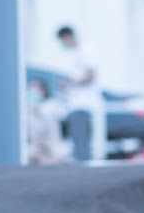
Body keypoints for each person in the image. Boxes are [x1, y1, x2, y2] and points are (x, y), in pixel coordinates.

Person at [56, 26, 106, 162]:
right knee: (78, 139)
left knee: (81, 140)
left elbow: (90, 76)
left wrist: (70, 84)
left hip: (84, 103)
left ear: (68, 37)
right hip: (75, 103)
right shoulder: (74, 54)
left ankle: (84, 166)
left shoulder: (86, 50)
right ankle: (82, 163)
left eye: (62, 41)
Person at [26, 78, 67, 165]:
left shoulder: (52, 104)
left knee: (58, 156)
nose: (33, 91)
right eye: (31, 89)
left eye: (36, 88)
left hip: (52, 140)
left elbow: (61, 113)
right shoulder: (26, 108)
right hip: (35, 142)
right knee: (30, 154)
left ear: (43, 90)